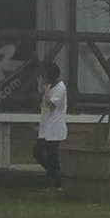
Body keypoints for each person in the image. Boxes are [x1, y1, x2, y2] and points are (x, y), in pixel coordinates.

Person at [33, 61, 67, 189]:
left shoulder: (61, 88)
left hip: (55, 129)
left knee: (52, 157)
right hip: (46, 127)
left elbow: (51, 105)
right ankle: (53, 177)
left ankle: (57, 182)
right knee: (38, 153)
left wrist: (46, 92)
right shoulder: (51, 87)